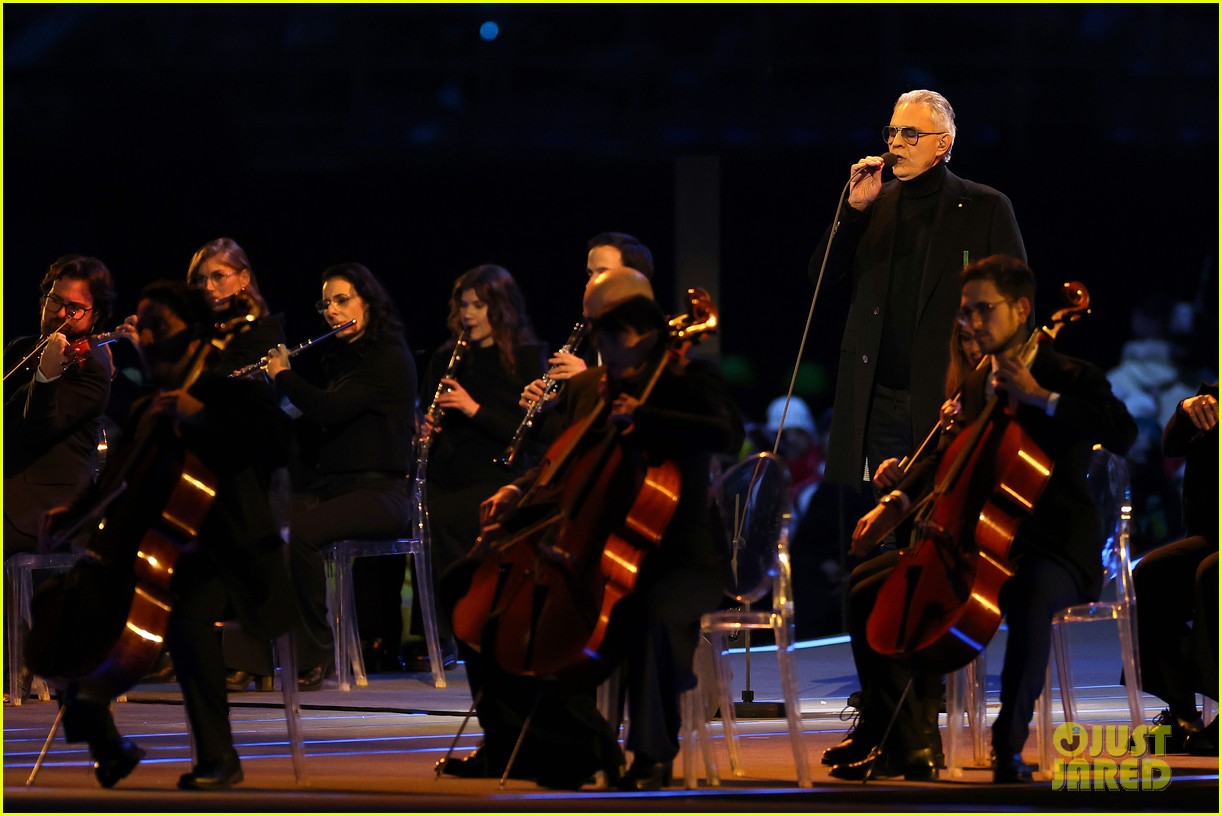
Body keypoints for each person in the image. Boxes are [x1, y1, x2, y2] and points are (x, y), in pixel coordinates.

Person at [828, 255, 1136, 784]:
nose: (971, 323)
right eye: (966, 312)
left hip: (1054, 544)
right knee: (866, 590)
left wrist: (1041, 399)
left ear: (1020, 310)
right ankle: (910, 741)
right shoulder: (976, 384)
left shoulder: (1067, 373)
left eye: (982, 310)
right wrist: (897, 504)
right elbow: (952, 464)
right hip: (978, 542)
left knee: (1029, 594)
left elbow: (1123, 432)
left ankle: (1007, 745)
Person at [437, 268, 741, 791]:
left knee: (651, 615)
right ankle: (535, 744)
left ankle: (650, 753)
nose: (601, 353)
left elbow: (726, 434)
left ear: (629, 333)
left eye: (604, 335)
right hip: (591, 555)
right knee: (468, 586)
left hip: (678, 559)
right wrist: (521, 489)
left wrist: (646, 418)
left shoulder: (687, 379)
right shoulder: (595, 388)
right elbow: (568, 459)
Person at [31, 280, 295, 790]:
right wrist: (70, 514)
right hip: (161, 554)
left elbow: (275, 444)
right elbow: (115, 480)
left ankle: (220, 757)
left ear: (193, 335)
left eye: (159, 329)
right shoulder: (148, 404)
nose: (146, 340)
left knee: (188, 614)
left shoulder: (226, 389)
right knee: (53, 602)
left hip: (228, 554)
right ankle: (106, 741)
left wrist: (201, 417)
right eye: (144, 329)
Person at [811, 89, 1026, 496]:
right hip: (877, 399)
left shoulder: (985, 207)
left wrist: (988, 388)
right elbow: (821, 281)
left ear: (943, 143)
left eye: (909, 133)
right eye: (892, 131)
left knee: (941, 516)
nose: (894, 143)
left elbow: (1017, 310)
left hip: (949, 399)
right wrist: (852, 213)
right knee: (882, 524)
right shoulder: (874, 203)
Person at [230, 263, 418, 688]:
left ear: (368, 303)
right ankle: (252, 661)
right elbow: (313, 418)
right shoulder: (343, 358)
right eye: (326, 303)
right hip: (338, 488)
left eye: (342, 300)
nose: (332, 311)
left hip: (381, 493)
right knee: (261, 528)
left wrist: (283, 375)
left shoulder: (387, 357)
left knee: (298, 533)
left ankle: (314, 654)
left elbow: (327, 409)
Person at [413, 265, 546, 668]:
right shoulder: (447, 356)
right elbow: (423, 412)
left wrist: (471, 409)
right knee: (420, 514)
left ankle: (457, 632)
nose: (469, 314)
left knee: (442, 518)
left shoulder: (523, 357)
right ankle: (434, 636)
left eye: (479, 305)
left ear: (500, 308)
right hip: (448, 472)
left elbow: (527, 433)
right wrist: (426, 427)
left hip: (497, 474)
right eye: (464, 305)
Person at [4, 255, 117, 560]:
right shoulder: (19, 348)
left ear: (94, 316)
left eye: (75, 308)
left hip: (35, 509)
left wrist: (46, 377)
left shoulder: (90, 364)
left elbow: (37, 433)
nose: (60, 314)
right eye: (55, 300)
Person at [1131, 382, 1218, 754]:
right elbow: (1171, 445)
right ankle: (1183, 713)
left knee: (1211, 576)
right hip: (1211, 533)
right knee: (1151, 574)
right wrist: (1185, 410)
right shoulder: (1213, 396)